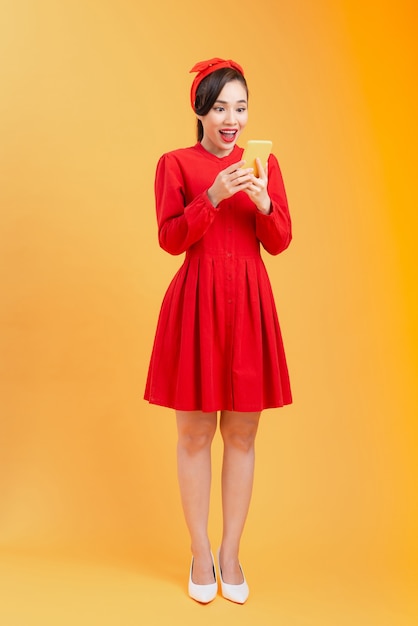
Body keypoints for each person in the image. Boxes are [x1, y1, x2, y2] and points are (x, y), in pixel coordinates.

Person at [144, 58, 292, 604]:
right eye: (220, 108)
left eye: (241, 107)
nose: (232, 119)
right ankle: (200, 551)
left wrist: (262, 201)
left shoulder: (264, 166)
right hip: (198, 301)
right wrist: (210, 198)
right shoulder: (175, 164)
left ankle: (232, 552)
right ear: (200, 111)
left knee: (243, 434)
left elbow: (279, 241)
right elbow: (169, 239)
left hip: (249, 302)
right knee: (193, 434)